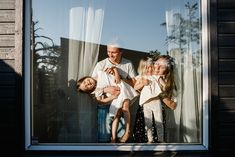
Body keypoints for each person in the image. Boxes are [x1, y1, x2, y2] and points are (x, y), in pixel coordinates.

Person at [77, 67, 138, 143]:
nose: (87, 83)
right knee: (117, 114)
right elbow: (100, 101)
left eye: (84, 82)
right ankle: (113, 137)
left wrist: (115, 70)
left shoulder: (100, 73)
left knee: (125, 108)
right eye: (87, 86)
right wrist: (113, 96)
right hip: (117, 95)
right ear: (90, 90)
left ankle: (127, 132)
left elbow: (117, 79)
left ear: (86, 77)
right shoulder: (97, 90)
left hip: (123, 88)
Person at [91, 42, 138, 142]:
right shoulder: (101, 64)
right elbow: (92, 85)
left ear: (121, 52)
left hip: (122, 104)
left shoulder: (127, 64)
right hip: (105, 104)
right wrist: (106, 89)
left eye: (113, 52)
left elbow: (135, 83)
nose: (110, 55)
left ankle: (126, 133)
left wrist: (119, 77)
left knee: (121, 141)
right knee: (104, 138)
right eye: (108, 51)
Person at [134, 56, 176, 143]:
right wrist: (142, 83)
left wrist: (162, 84)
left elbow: (164, 87)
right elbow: (135, 87)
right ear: (143, 69)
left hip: (156, 101)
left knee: (159, 122)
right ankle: (150, 139)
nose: (149, 69)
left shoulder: (156, 77)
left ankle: (161, 139)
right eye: (146, 68)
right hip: (146, 103)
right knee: (148, 122)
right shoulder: (142, 77)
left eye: (150, 67)